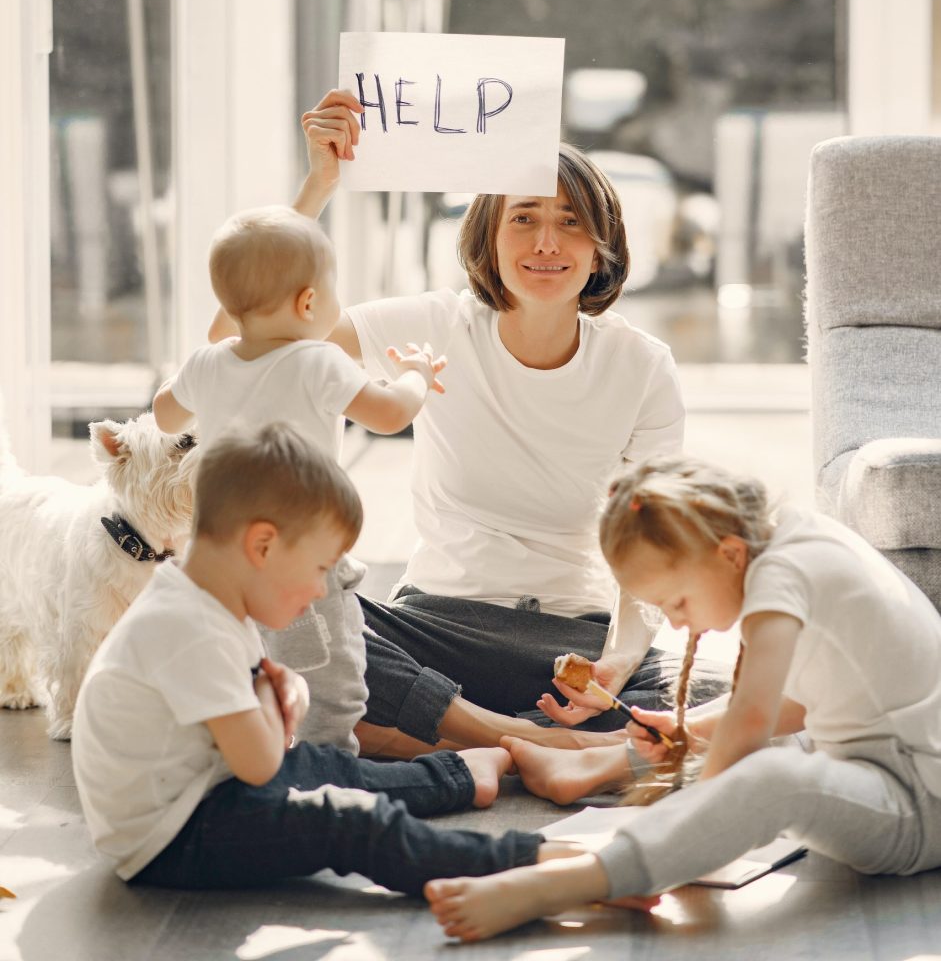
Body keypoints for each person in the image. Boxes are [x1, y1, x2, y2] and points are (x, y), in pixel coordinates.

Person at [240, 88, 728, 758]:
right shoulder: (438, 324)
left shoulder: (641, 366)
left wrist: (615, 664)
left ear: (601, 245)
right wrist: (318, 186)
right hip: (434, 628)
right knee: (288, 614)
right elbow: (255, 330)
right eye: (524, 219)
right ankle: (521, 743)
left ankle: (441, 740)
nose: (547, 242)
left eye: (570, 222)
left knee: (726, 697)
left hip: (572, 646)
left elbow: (655, 548)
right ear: (488, 239)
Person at [423, 455, 941, 941]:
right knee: (747, 741)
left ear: (729, 554)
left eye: (676, 602)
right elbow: (802, 703)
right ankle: (599, 778)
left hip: (916, 804)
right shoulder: (793, 542)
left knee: (770, 775)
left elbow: (753, 720)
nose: (674, 622)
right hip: (883, 769)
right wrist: (688, 733)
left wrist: (697, 826)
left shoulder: (782, 579)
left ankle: (578, 881)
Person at [71, 422, 580, 895]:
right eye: (318, 568)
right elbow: (260, 763)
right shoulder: (189, 630)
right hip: (173, 837)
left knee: (321, 764)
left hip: (201, 789)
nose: (320, 588)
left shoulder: (208, 599)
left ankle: (458, 776)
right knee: (348, 824)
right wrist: (286, 704)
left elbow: (253, 735)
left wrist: (272, 702)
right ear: (263, 546)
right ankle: (530, 862)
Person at [152, 205, 446, 752]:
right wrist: (417, 374)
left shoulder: (206, 363)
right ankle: (328, 763)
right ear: (310, 302)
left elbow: (165, 417)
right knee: (329, 673)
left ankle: (251, 754)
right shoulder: (318, 360)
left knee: (243, 662)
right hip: (301, 557)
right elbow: (388, 415)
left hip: (222, 555)